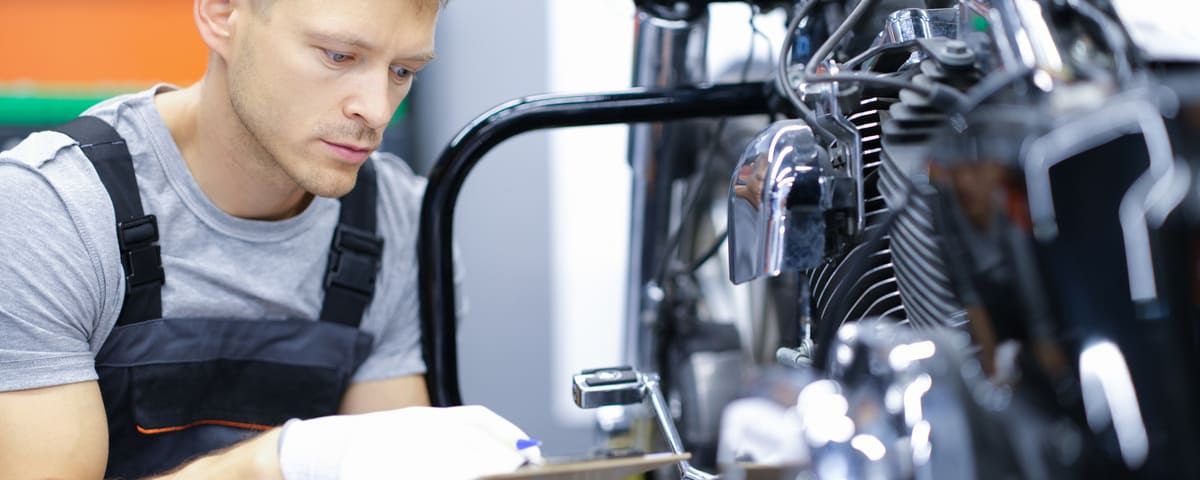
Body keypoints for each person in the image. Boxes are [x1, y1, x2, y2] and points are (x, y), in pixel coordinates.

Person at [0, 0, 541, 478]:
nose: (376, 110)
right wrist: (275, 461)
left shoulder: (399, 221)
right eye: (337, 55)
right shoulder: (51, 210)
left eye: (402, 70)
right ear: (220, 13)